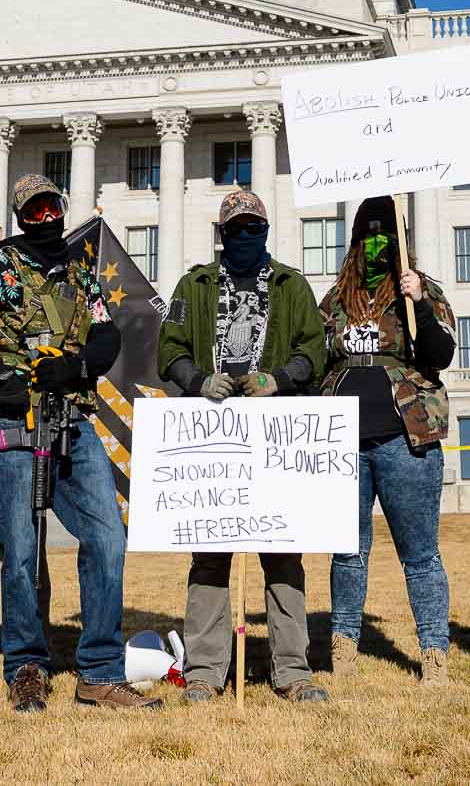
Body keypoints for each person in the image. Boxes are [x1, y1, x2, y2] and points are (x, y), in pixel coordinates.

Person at [0, 174, 158, 714]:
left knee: (107, 539)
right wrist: (6, 379)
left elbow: (107, 332)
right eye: (34, 209)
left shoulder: (77, 271)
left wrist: (81, 365)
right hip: (15, 419)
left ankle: (98, 672)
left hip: (75, 418)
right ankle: (26, 665)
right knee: (21, 552)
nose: (45, 217)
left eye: (52, 206)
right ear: (20, 217)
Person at [158, 188, 328, 704]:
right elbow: (169, 347)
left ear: (267, 231)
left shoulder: (292, 285)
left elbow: (314, 351)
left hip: (275, 435)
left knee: (283, 555)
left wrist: (278, 379)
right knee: (210, 558)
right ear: (222, 234)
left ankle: (292, 671)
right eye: (237, 229)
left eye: (256, 227)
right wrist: (196, 381)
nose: (247, 236)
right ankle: (206, 672)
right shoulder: (193, 284)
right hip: (212, 438)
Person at [319, 195, 458, 686]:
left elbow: (440, 354)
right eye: (367, 232)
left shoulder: (421, 293)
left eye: (386, 233)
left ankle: (434, 656)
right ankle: (344, 651)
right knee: (348, 553)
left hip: (408, 440)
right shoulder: (335, 300)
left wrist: (417, 298)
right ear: (355, 241)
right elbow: (316, 361)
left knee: (420, 555)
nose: (376, 241)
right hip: (342, 444)